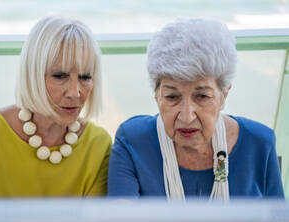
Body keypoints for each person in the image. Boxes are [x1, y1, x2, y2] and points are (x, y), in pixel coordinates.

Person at [108, 19, 284, 200]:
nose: (186, 116)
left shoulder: (259, 144)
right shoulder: (132, 142)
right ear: (156, 95)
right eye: (172, 97)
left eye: (202, 97)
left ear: (224, 95)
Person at [0, 16, 111, 200]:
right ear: (32, 74)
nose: (74, 92)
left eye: (85, 77)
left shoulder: (98, 145)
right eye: (59, 75)